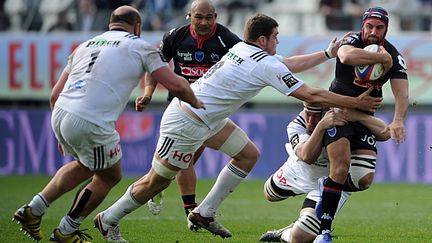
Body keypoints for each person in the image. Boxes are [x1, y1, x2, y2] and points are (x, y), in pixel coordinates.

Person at [94, 13, 382, 241]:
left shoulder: (245, 50)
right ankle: (108, 219)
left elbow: (288, 64)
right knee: (156, 182)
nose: (278, 42)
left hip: (208, 119)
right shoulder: (262, 62)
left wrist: (327, 54)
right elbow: (311, 95)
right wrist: (355, 102)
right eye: (275, 37)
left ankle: (205, 212)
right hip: (186, 122)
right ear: (262, 40)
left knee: (248, 155)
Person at [12, 5, 204, 243]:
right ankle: (66, 230)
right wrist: (196, 101)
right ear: (137, 27)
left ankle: (33, 210)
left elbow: (54, 94)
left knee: (85, 165)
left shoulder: (86, 45)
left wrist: (60, 134)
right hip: (90, 119)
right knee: (110, 176)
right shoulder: (140, 46)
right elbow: (175, 85)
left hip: (61, 112)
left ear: (110, 24)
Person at [135, 0, 241, 222]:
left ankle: (156, 185)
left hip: (209, 110)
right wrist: (147, 93)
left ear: (216, 16)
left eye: (209, 17)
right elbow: (156, 67)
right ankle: (190, 211)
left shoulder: (227, 39)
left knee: (185, 160)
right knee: (184, 160)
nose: (204, 22)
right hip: (180, 108)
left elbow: (245, 64)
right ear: (189, 16)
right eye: (199, 17)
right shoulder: (174, 36)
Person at [314, 7, 409, 243]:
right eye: (369, 26)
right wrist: (380, 58)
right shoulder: (352, 40)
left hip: (362, 117)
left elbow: (402, 92)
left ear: (386, 29)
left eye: (379, 28)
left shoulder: (395, 56)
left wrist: (398, 120)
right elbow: (345, 56)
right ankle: (324, 231)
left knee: (363, 180)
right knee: (341, 164)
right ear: (363, 25)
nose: (373, 32)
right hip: (337, 111)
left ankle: (327, 188)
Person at [258, 103, 390, 243]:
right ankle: (305, 221)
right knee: (269, 194)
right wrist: (321, 126)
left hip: (332, 182)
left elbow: (386, 132)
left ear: (328, 112)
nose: (310, 121)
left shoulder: (344, 123)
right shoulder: (297, 124)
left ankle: (283, 233)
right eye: (308, 114)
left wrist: (356, 116)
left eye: (316, 116)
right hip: (299, 170)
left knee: (300, 237)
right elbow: (307, 156)